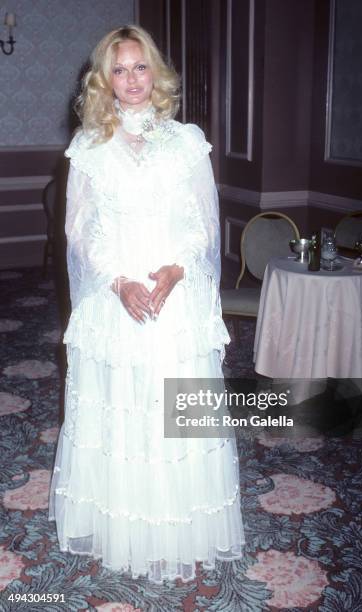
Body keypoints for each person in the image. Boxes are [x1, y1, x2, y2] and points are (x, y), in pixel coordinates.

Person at [48, 25, 245, 584]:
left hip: (174, 294)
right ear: (104, 80)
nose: (132, 80)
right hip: (117, 296)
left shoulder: (187, 141)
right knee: (120, 408)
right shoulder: (88, 147)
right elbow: (80, 233)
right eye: (120, 69)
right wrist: (117, 283)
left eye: (140, 67)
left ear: (155, 73)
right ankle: (123, 526)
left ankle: (180, 525)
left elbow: (205, 223)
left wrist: (179, 267)